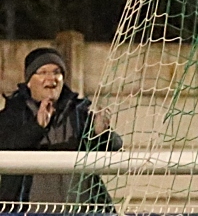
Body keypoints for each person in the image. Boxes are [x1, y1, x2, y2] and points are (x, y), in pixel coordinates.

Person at [0, 47, 123, 211]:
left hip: (81, 212)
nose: (51, 78)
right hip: (28, 211)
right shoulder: (13, 114)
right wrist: (37, 127)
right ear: (29, 81)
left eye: (56, 72)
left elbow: (114, 147)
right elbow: (6, 145)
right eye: (42, 72)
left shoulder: (79, 113)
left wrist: (101, 133)